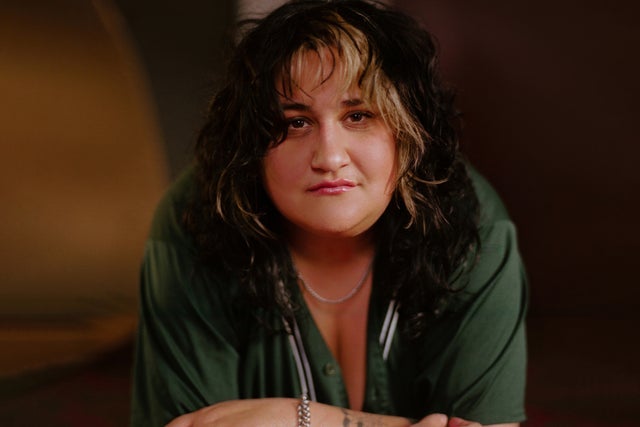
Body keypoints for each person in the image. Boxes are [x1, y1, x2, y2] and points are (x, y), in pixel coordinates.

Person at [130, 0, 528, 426]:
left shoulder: (469, 219)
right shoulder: (196, 217)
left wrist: (291, 419)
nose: (330, 157)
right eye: (296, 123)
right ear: (250, 145)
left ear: (409, 133)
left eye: (358, 115)